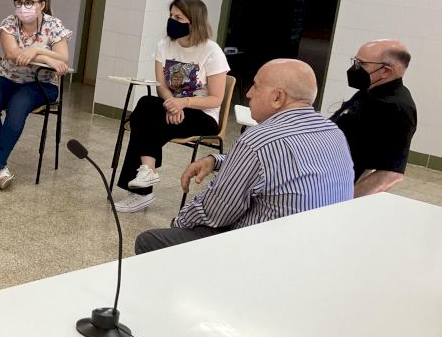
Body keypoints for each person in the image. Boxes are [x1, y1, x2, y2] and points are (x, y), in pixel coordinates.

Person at [134, 59, 353, 254]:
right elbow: (279, 165)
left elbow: (217, 212)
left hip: (267, 254)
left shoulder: (259, 139)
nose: (248, 94)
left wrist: (180, 222)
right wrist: (216, 160)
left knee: (150, 241)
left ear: (278, 97)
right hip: (320, 247)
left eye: (256, 86)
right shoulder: (332, 131)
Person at [114, 0, 229, 213]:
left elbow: (216, 98)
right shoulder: (164, 45)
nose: (172, 21)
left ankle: (142, 190)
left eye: (178, 17)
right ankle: (147, 171)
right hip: (171, 108)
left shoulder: (212, 51)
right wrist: (171, 104)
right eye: (171, 16)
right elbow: (162, 86)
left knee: (144, 121)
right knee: (146, 104)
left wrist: (183, 103)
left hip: (203, 115)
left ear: (193, 22)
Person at [0, 0, 71, 192]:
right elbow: (13, 54)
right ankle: (1, 167)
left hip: (41, 84)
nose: (23, 7)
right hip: (5, 78)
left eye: (29, 2)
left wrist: (36, 50)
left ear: (42, 5)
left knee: (17, 107)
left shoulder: (54, 25)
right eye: (19, 2)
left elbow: (63, 58)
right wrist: (46, 57)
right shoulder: (9, 23)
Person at [329, 39, 416, 196]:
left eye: (361, 64)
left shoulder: (397, 108)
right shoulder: (370, 91)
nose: (355, 68)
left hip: (332, 188)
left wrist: (344, 202)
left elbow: (390, 174)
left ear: (385, 71)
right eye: (355, 61)